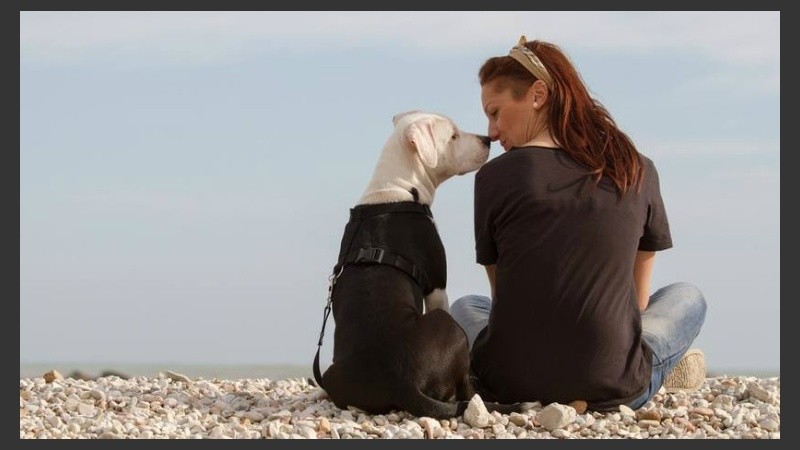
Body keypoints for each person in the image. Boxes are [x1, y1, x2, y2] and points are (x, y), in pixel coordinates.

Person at [449, 36, 707, 412]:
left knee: (468, 305)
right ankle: (663, 364)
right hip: (614, 384)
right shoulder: (635, 168)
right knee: (687, 296)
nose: (491, 131)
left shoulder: (494, 176)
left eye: (495, 112)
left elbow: (504, 299)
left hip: (509, 382)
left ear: (538, 95)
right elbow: (637, 301)